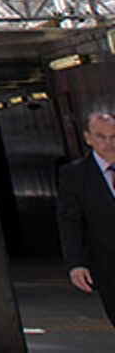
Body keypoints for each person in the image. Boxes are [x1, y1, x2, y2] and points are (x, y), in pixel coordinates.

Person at [57, 104, 115, 329]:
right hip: (108, 266)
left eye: (113, 137)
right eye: (101, 137)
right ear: (88, 138)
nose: (108, 143)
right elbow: (69, 222)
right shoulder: (74, 176)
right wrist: (76, 264)